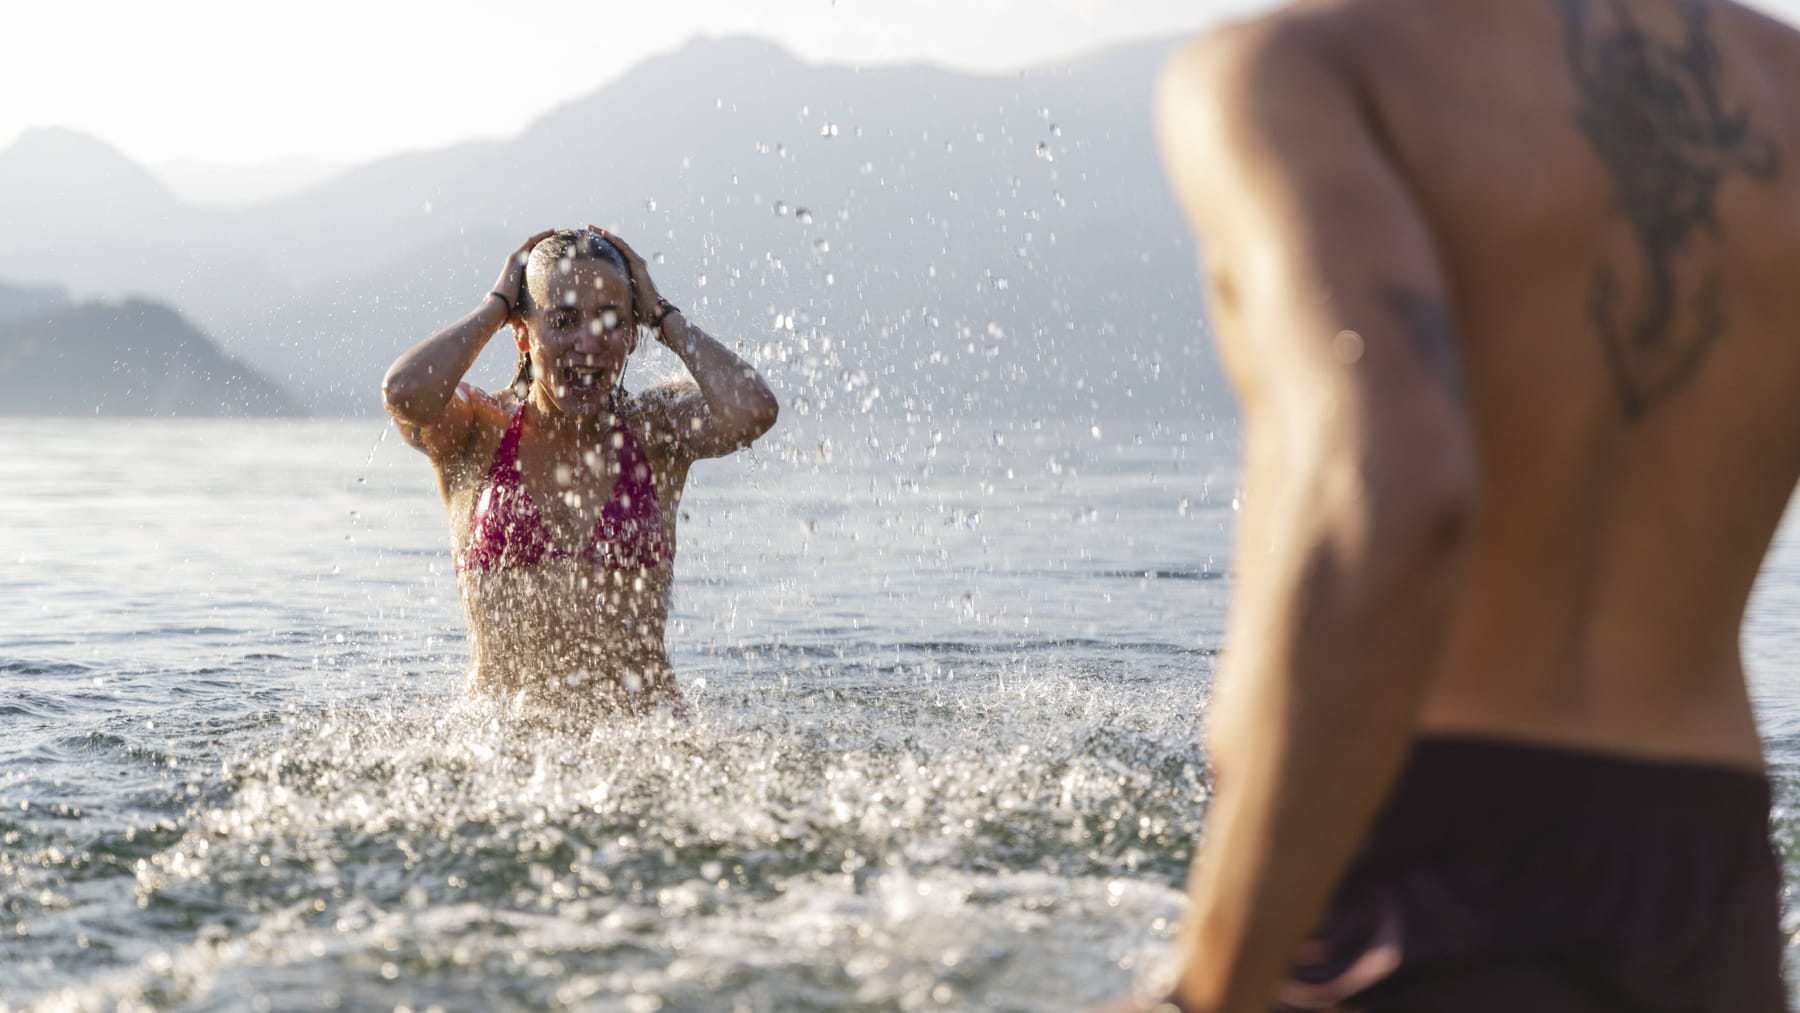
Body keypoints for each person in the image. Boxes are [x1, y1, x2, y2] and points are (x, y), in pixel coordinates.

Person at [1142, 0, 1800, 1009]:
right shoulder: (1778, 86)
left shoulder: (1308, 72)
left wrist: (1207, 982)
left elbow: (1399, 499)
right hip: (1712, 883)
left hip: (1420, 849)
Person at [381, 227, 778, 719]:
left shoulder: (655, 431)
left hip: (646, 740)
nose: (589, 342)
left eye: (611, 319)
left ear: (631, 337)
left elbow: (753, 410)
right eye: (564, 319)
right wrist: (496, 306)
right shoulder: (477, 431)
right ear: (523, 334)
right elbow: (404, 392)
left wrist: (662, 317)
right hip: (502, 744)